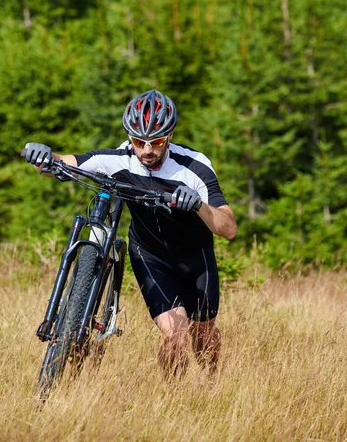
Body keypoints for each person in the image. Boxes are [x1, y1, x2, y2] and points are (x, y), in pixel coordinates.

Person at [23, 89, 237, 377]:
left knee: (204, 332)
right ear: (130, 138)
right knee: (177, 336)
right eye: (139, 142)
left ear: (170, 136)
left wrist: (198, 204)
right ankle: (175, 399)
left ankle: (213, 389)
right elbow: (66, 164)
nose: (147, 150)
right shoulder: (117, 159)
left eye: (156, 142)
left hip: (195, 256)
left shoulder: (194, 166)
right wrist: (43, 158)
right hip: (150, 256)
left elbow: (228, 227)